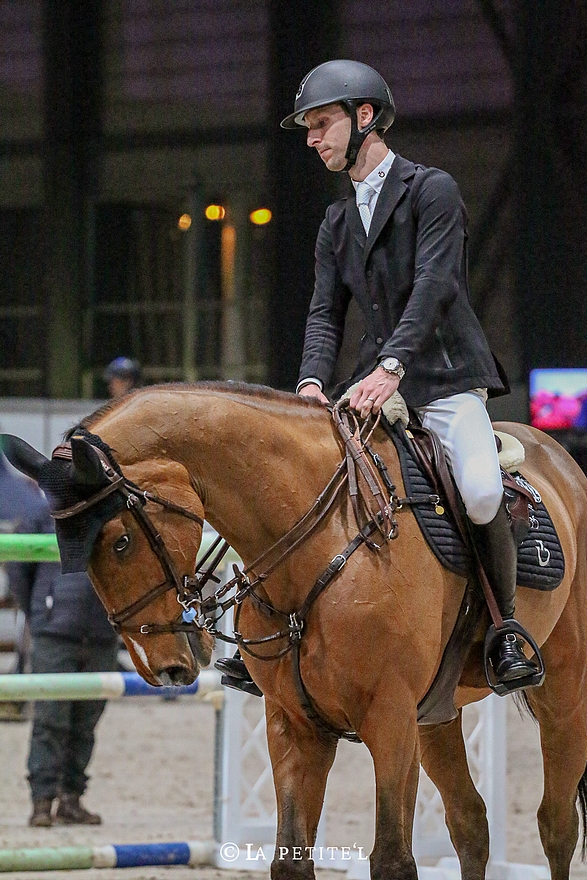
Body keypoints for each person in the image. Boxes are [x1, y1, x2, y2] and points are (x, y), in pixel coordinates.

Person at [218, 59, 539, 695]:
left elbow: (437, 284)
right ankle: (279, 635)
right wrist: (310, 383)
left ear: (366, 118)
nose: (312, 139)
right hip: (375, 385)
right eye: (307, 128)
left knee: (477, 488)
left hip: (443, 377)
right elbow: (323, 312)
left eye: (322, 125)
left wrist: (392, 365)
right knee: (301, 481)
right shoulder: (337, 222)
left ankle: (505, 631)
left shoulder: (432, 190)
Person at [7, 499, 118, 827]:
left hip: (95, 630)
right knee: (51, 720)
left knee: (86, 720)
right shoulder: (44, 511)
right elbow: (17, 566)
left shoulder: (111, 510)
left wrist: (38, 611)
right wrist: (41, 614)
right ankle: (43, 800)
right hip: (61, 630)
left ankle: (68, 798)